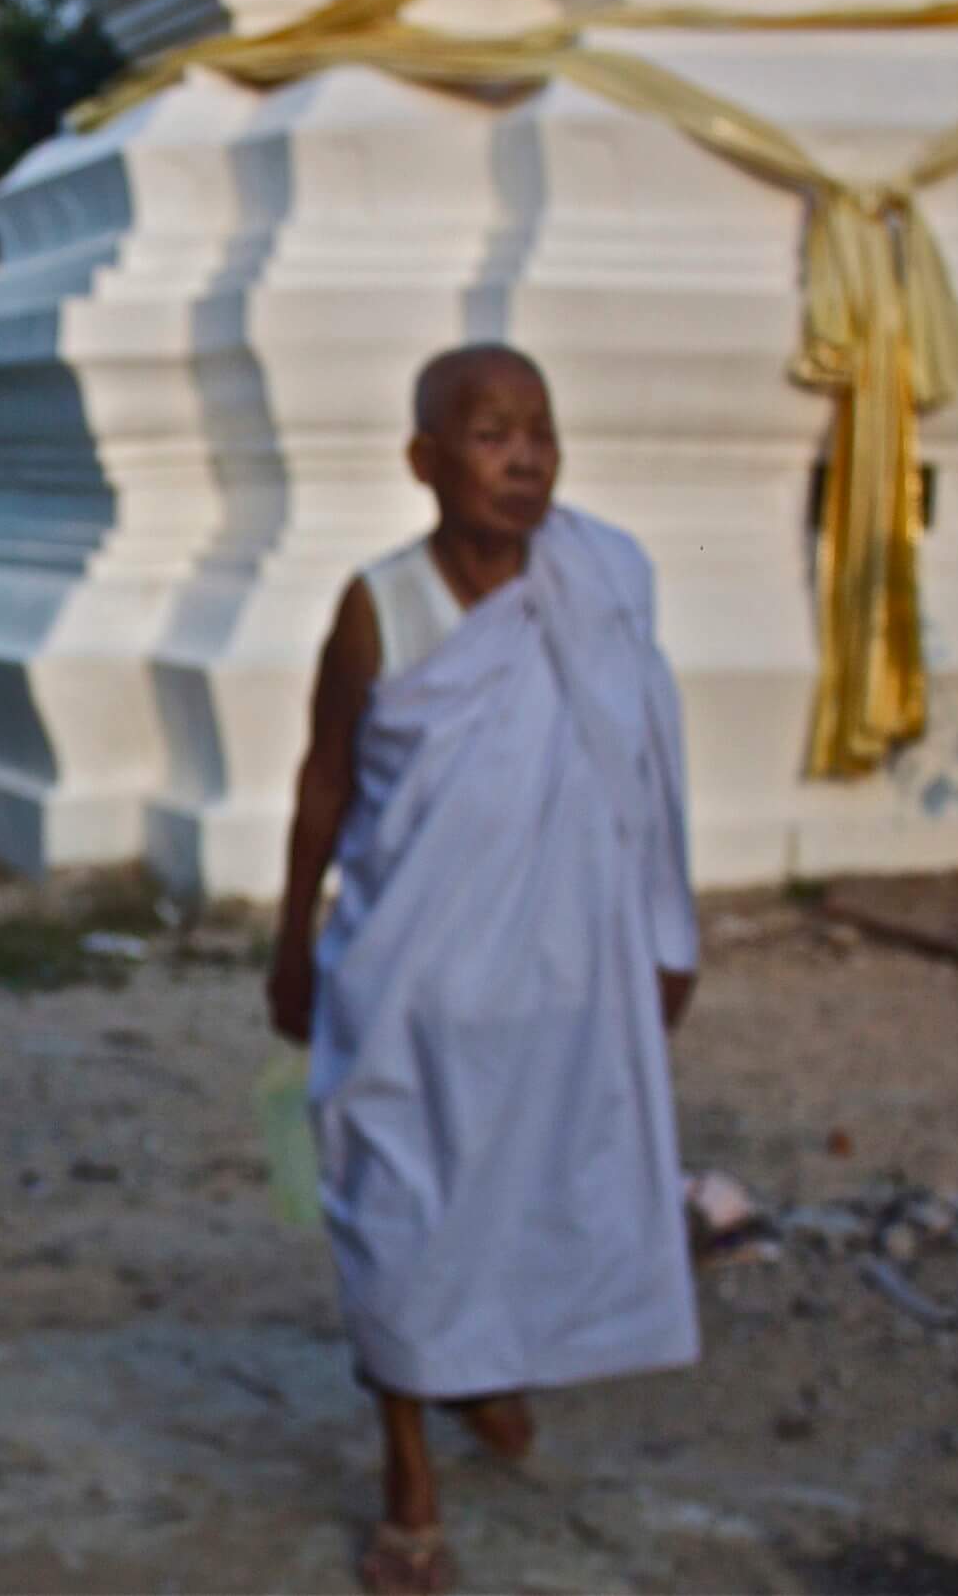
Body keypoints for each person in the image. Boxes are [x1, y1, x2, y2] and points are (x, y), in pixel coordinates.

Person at [265, 344, 700, 1596]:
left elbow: (650, 779)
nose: (525, 460)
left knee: (517, 1187)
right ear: (424, 460)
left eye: (541, 433)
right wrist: (291, 943)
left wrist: (670, 938)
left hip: (563, 977)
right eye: (492, 434)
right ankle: (408, 1465)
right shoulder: (380, 605)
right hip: (407, 984)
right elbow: (326, 785)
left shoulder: (598, 585)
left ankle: (485, 1370)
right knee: (394, 1208)